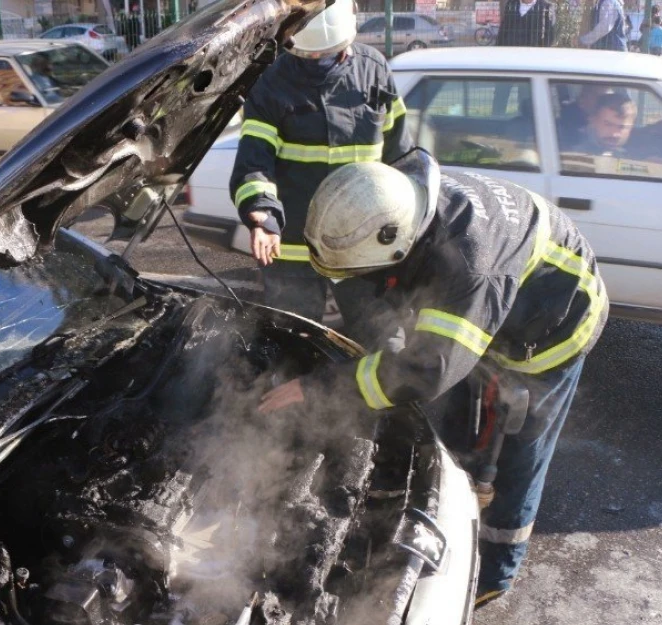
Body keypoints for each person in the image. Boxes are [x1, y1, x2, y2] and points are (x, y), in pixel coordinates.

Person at [257, 149, 608, 608]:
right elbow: (371, 289)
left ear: (395, 242)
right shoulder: (393, 199)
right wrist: (384, 353)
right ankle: (462, 491)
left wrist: (320, 387)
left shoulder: (468, 263)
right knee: (460, 425)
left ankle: (498, 569)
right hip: (496, 302)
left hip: (552, 327)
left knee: (523, 447)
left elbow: (427, 373)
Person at [228, 0, 413, 340]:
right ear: (292, 42)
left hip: (363, 245)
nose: (320, 60)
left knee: (385, 340)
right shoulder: (271, 83)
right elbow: (255, 162)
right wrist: (263, 216)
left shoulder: (374, 70)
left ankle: (380, 392)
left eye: (332, 52)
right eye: (312, 55)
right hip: (295, 250)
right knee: (290, 345)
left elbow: (401, 155)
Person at [572, 90, 637, 155]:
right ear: (593, 120)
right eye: (608, 124)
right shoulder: (574, 155)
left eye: (622, 127)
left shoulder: (638, 156)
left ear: (631, 128)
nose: (614, 134)